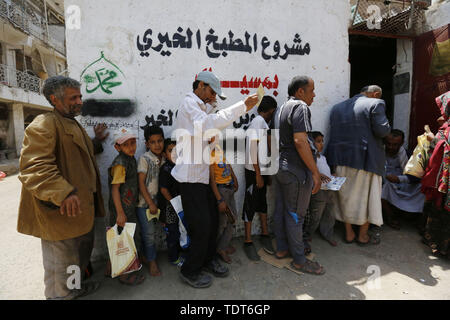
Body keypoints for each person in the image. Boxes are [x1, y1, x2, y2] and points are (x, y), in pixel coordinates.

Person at [17, 76, 108, 300]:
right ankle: (61, 296)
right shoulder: (44, 124)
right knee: (61, 264)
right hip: (59, 212)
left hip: (79, 212)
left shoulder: (71, 122)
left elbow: (75, 152)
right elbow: (34, 166)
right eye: (73, 97)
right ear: (54, 100)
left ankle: (75, 289)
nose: (79, 101)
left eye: (80, 96)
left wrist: (95, 142)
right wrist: (64, 192)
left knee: (75, 260)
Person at [171, 70, 258, 288]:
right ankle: (190, 270)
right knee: (201, 227)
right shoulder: (189, 104)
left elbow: (210, 130)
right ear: (199, 85)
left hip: (202, 178)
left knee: (210, 225)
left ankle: (207, 260)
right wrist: (241, 107)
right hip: (190, 180)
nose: (212, 97)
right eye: (210, 92)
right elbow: (209, 125)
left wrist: (213, 105)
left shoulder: (202, 107)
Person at [325, 85, 391, 245]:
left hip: (340, 159)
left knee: (345, 197)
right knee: (367, 199)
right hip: (366, 160)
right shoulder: (376, 103)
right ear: (375, 94)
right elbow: (383, 131)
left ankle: (348, 234)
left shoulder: (337, 108)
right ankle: (362, 235)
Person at [273, 76, 325, 275]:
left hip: (280, 168)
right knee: (296, 215)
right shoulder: (300, 107)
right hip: (295, 171)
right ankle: (300, 261)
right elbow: (300, 141)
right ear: (300, 92)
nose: (314, 95)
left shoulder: (280, 108)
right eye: (312, 90)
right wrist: (314, 172)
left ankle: (282, 249)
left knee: (282, 210)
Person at [107, 127, 145, 285]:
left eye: (133, 142)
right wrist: (120, 213)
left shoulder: (130, 159)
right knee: (124, 242)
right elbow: (115, 189)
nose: (131, 147)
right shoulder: (120, 164)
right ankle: (125, 276)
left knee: (120, 239)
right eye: (126, 144)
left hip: (127, 208)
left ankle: (110, 268)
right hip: (121, 210)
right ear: (117, 147)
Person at [242, 95, 277, 260]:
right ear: (270, 110)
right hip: (253, 171)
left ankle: (264, 234)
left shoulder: (263, 124)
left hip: (260, 170)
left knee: (262, 203)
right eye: (273, 111)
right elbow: (253, 149)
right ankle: (248, 241)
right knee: (250, 204)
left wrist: (266, 173)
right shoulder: (258, 122)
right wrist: (258, 174)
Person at [421, 91, 450, 259]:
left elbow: (442, 145)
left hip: (445, 180)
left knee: (441, 209)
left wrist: (433, 139)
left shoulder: (447, 129)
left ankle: (439, 245)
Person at [381, 129, 425, 230]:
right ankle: (390, 216)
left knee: (422, 188)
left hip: (403, 183)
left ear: (401, 143)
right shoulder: (379, 153)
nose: (391, 147)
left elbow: (416, 176)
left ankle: (416, 217)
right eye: (388, 144)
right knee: (383, 188)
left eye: (395, 144)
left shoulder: (408, 154)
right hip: (387, 183)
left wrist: (398, 179)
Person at [136, 125, 165, 276]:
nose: (157, 145)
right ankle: (152, 261)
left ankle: (146, 256)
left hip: (159, 203)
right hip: (144, 204)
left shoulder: (165, 158)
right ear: (147, 144)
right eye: (153, 142)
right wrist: (150, 203)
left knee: (153, 232)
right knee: (149, 234)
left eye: (160, 141)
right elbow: (140, 183)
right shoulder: (144, 159)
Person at [304, 131, 337, 247]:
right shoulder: (310, 158)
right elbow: (310, 172)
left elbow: (326, 173)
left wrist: (333, 177)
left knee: (329, 213)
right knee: (315, 215)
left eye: (322, 141)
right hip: (319, 191)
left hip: (329, 189)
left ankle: (328, 234)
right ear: (311, 143)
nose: (321, 144)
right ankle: (307, 235)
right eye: (318, 142)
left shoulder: (322, 158)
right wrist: (318, 174)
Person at [210, 142, 238, 264]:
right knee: (222, 222)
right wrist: (219, 199)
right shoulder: (208, 154)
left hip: (229, 187)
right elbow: (211, 179)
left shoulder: (219, 149)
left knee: (233, 218)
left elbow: (228, 165)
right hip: (221, 190)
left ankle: (223, 245)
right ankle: (217, 249)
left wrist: (234, 178)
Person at [158, 138, 184, 267]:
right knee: (172, 233)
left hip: (180, 205)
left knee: (181, 230)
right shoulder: (165, 169)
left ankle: (181, 252)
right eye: (170, 151)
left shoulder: (180, 166)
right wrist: (174, 203)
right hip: (170, 207)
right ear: (164, 154)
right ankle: (173, 257)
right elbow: (163, 189)